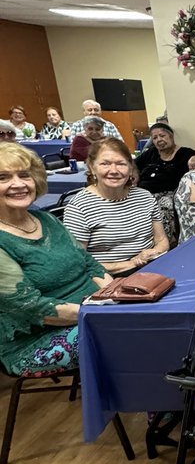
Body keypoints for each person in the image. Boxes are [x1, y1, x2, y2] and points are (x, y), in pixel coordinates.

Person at [0, 143, 112, 376]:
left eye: (24, 175)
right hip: (34, 340)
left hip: (93, 312)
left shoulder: (45, 219)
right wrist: (101, 313)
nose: (18, 184)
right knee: (132, 334)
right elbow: (33, 309)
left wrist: (115, 297)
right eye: (3, 178)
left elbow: (89, 264)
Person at [63, 138, 168, 273]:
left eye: (121, 164)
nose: (114, 170)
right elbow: (78, 262)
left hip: (152, 267)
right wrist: (132, 264)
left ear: (131, 168)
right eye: (105, 164)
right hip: (107, 278)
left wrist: (154, 252)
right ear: (92, 168)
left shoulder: (145, 197)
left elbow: (162, 240)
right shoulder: (79, 207)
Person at [135, 122, 195, 245]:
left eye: (162, 136)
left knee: (164, 206)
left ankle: (162, 244)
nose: (159, 140)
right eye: (155, 138)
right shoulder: (150, 153)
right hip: (144, 193)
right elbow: (132, 165)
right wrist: (134, 176)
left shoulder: (186, 153)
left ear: (171, 136)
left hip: (170, 193)